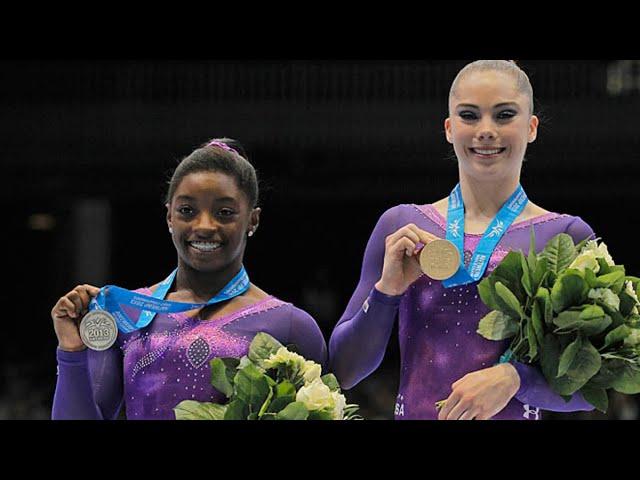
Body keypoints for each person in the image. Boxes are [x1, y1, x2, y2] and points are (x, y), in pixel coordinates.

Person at [328, 60, 596, 420]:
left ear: (531, 127)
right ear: (449, 128)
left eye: (504, 115)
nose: (486, 130)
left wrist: (516, 378)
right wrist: (386, 292)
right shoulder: (402, 225)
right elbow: (344, 371)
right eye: (469, 116)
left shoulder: (564, 236)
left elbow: (597, 388)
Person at [51, 138, 327, 420]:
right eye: (187, 211)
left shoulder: (292, 326)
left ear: (252, 220)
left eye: (224, 212)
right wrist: (71, 351)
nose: (204, 225)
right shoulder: (127, 314)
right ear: (170, 216)